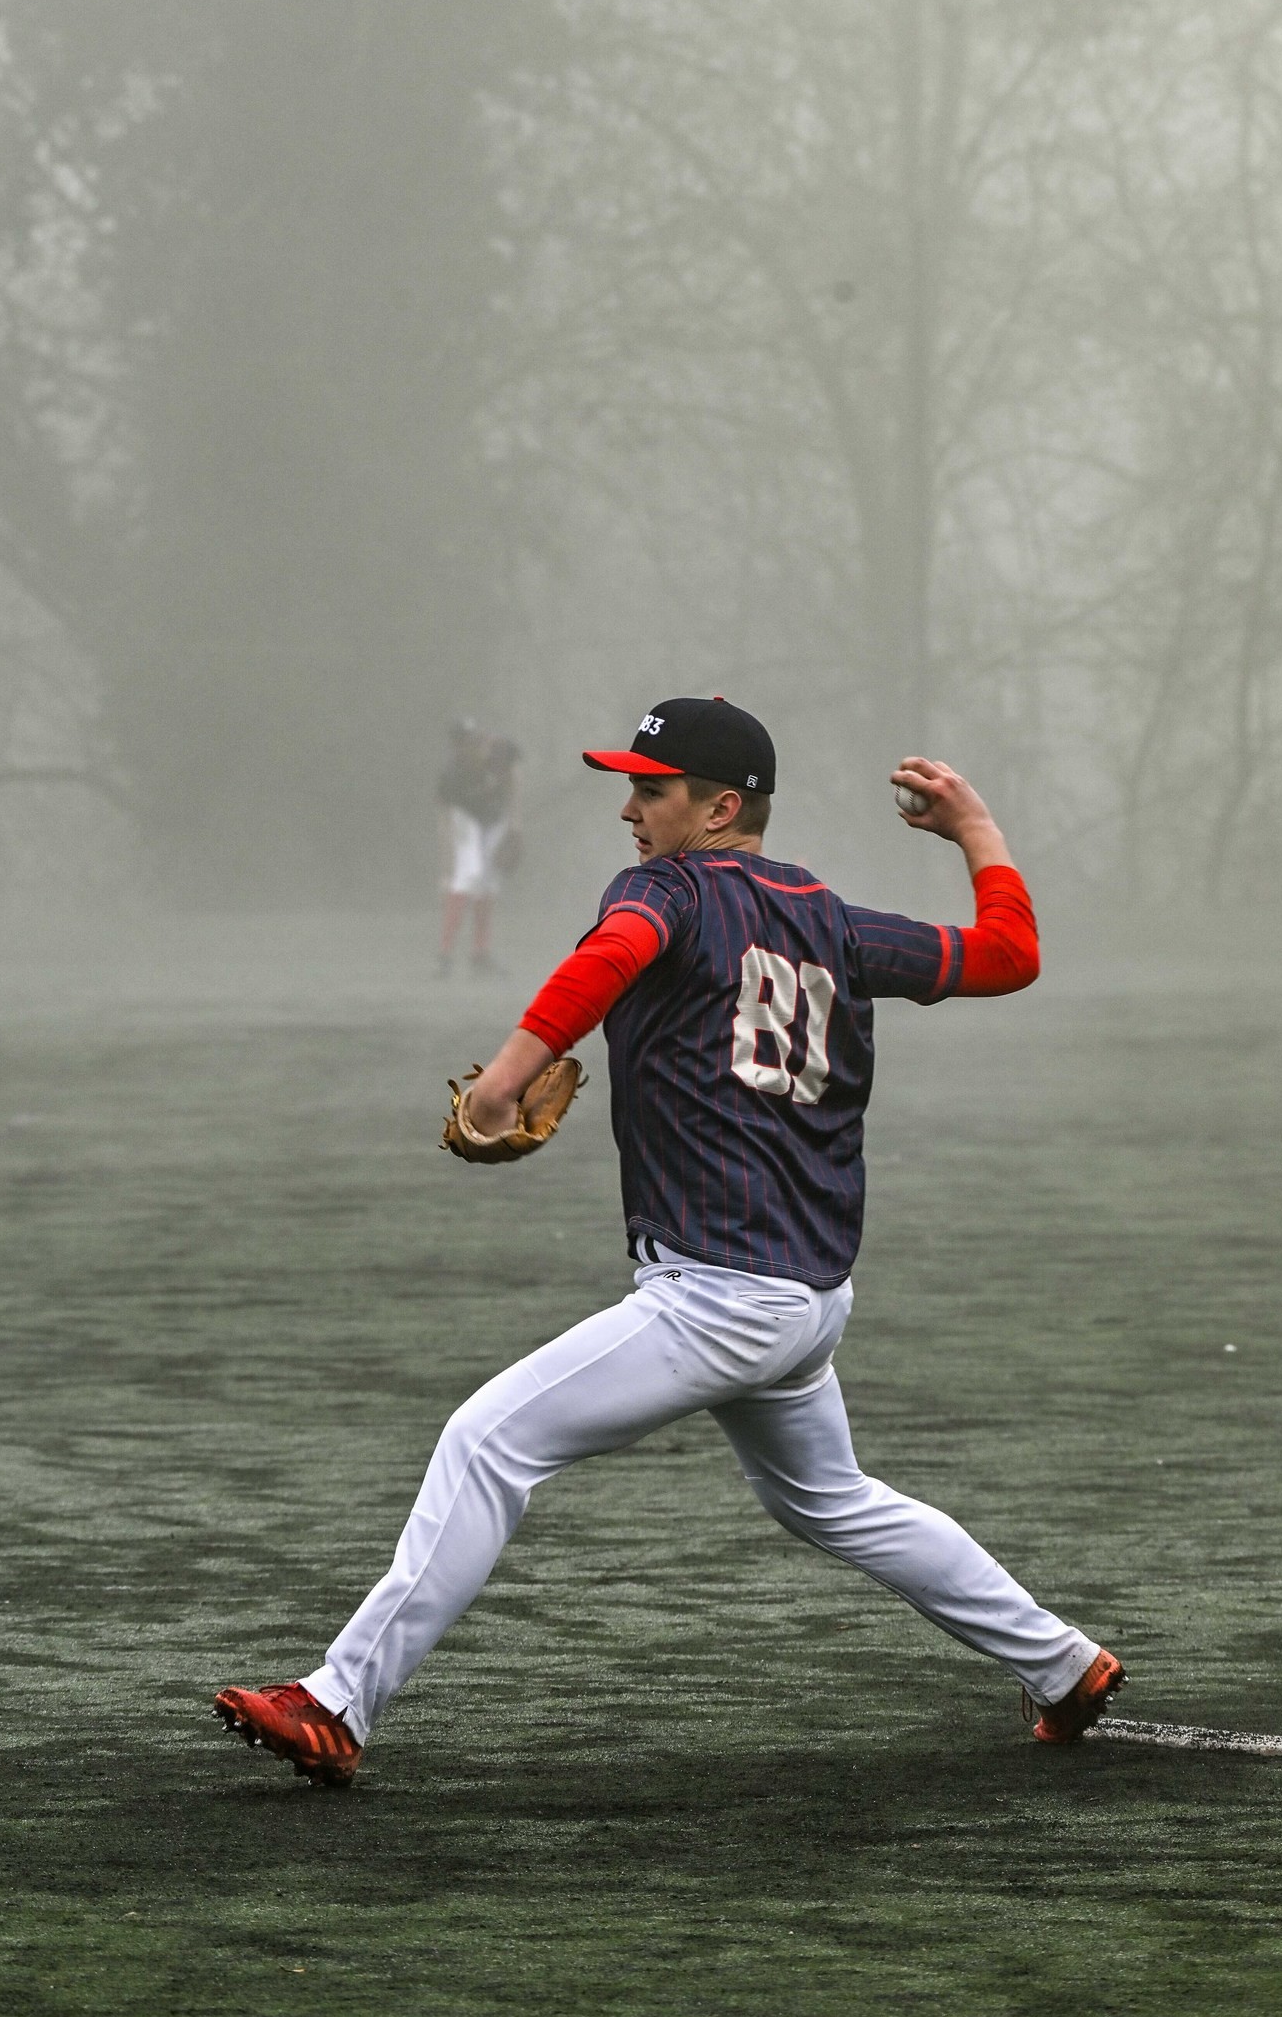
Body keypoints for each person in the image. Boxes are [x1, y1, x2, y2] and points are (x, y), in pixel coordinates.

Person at [216, 696, 1123, 1785]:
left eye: (652, 790)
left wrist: (502, 1083)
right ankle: (1061, 1664)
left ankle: (336, 1702)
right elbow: (1008, 954)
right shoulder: (829, 919)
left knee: (486, 1441)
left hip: (720, 1295)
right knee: (830, 1501)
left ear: (721, 806)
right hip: (807, 1302)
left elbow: (611, 955)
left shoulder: (670, 889)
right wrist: (976, 831)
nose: (630, 810)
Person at [435, 722, 521, 975]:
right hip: (467, 818)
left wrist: (516, 821)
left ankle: (480, 954)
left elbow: (515, 775)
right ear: (457, 748)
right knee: (468, 875)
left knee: (489, 882)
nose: (476, 746)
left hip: (495, 819)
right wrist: (446, 860)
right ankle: (445, 954)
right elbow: (443, 819)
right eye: (468, 743)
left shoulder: (501, 751)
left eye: (477, 740)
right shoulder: (451, 775)